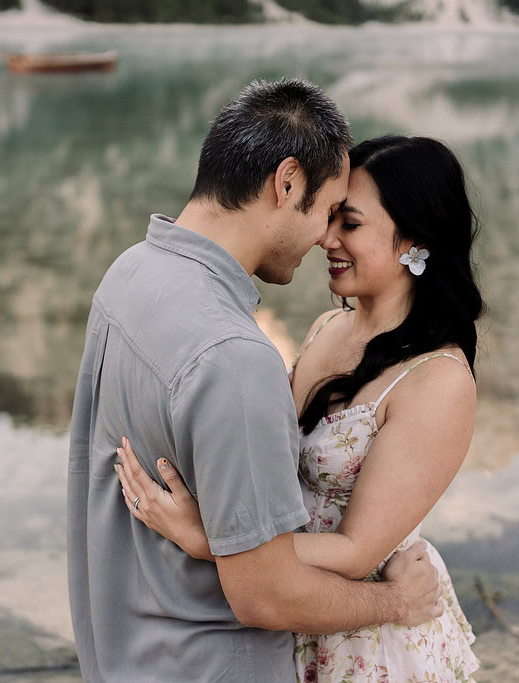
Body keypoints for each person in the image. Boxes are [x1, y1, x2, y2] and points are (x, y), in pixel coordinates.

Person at [68, 80, 445, 682]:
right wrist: (399, 603)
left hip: (121, 653)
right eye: (327, 212)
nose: (326, 238)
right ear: (287, 182)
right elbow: (268, 596)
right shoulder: (234, 358)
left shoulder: (129, 275)